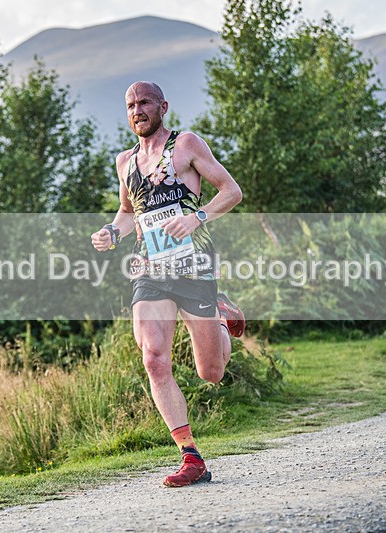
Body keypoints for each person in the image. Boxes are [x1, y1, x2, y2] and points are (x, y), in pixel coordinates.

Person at [91, 81, 246, 487]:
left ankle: (221, 317)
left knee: (210, 372)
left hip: (193, 265)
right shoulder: (125, 162)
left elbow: (232, 191)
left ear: (162, 106)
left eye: (144, 102)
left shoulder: (187, 145)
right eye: (130, 105)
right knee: (153, 357)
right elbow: (128, 211)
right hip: (151, 270)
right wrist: (113, 231)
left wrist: (198, 217)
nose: (137, 109)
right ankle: (190, 456)